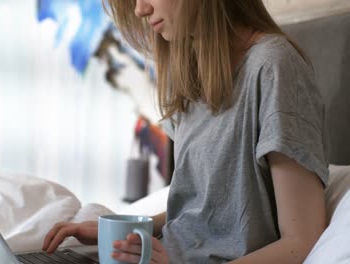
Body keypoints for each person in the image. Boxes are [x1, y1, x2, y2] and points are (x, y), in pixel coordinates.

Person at [42, 0, 329, 263]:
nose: (141, 10)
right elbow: (209, 207)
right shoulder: (193, 73)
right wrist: (124, 229)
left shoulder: (273, 67)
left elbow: (301, 241)